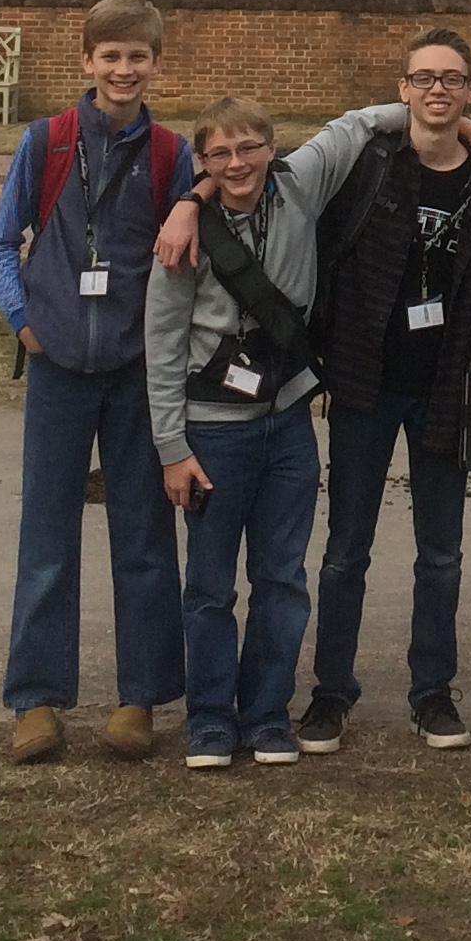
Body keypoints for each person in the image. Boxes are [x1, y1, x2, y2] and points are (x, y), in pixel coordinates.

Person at [294, 28, 471, 756]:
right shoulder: (370, 165)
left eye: (452, 79)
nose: (438, 90)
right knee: (345, 549)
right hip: (365, 381)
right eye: (424, 78)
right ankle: (331, 693)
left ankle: (432, 694)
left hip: (445, 386)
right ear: (403, 89)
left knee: (441, 552)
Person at [0, 0, 193, 766]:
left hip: (138, 371)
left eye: (137, 57)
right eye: (110, 56)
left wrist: (195, 200)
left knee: (144, 535)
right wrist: (23, 319)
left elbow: (199, 233)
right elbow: (1, 242)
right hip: (60, 368)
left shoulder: (172, 154)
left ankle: (140, 697)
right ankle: (36, 699)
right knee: (46, 535)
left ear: (156, 63)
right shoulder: (46, 142)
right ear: (86, 61)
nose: (123, 70)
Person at [144, 96, 353, 771]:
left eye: (249, 148)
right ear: (200, 161)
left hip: (287, 421)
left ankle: (266, 715)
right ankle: (210, 718)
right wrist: (172, 448)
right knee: (210, 584)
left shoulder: (300, 187)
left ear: (272, 148)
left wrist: (463, 121)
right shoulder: (185, 232)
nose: (237, 164)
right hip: (212, 432)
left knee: (282, 578)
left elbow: (362, 122)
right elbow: (162, 341)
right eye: (219, 154)